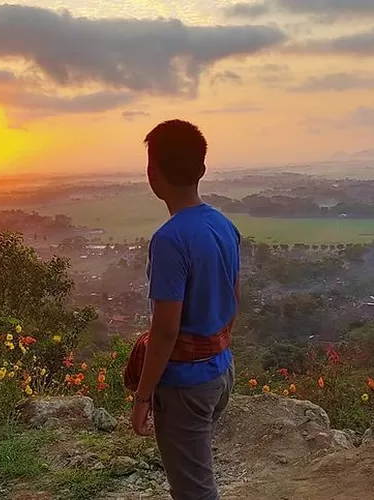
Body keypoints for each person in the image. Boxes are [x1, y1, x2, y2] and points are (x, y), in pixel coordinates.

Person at [126, 120, 240, 500]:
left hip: (186, 385)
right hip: (221, 369)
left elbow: (165, 330)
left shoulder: (170, 240)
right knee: (195, 474)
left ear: (151, 173)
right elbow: (234, 300)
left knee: (194, 491)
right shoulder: (223, 225)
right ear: (202, 169)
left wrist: (143, 397)